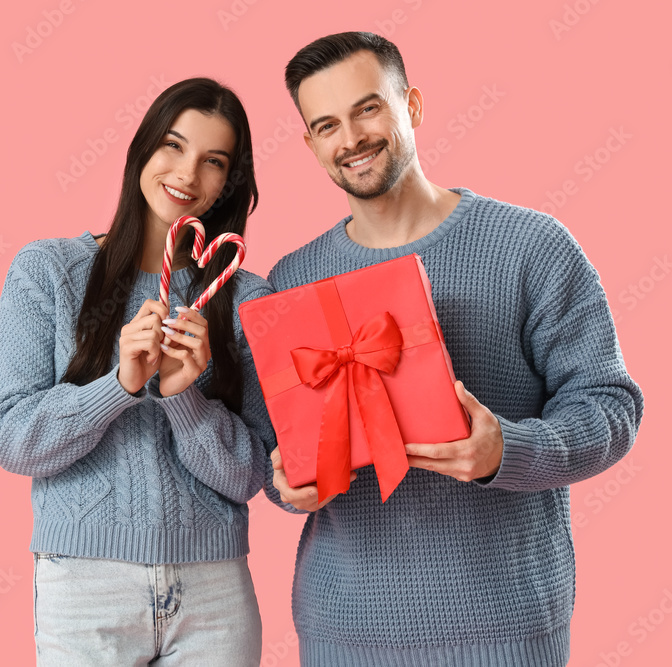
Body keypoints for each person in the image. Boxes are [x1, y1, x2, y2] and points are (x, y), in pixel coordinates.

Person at [265, 32, 644, 665]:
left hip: (506, 628)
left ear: (411, 105)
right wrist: (288, 483)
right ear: (309, 144)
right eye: (326, 124)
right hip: (344, 631)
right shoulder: (292, 279)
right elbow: (275, 453)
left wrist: (507, 450)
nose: (350, 138)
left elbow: (611, 408)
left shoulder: (532, 247)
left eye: (367, 108)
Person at [0, 77, 275, 665]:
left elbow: (251, 474)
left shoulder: (244, 298)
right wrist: (118, 385)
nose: (187, 174)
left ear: (229, 183)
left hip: (214, 588)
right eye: (172, 145)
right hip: (86, 585)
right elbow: (12, 440)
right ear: (141, 148)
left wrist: (183, 397)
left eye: (212, 161)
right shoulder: (48, 273)